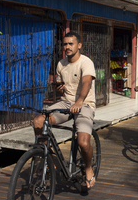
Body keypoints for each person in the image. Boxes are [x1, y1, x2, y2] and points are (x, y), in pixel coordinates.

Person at [33, 31, 96, 190]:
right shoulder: (61, 64)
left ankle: (88, 168)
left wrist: (80, 101)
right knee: (39, 121)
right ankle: (51, 161)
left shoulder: (85, 62)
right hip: (66, 103)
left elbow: (87, 83)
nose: (67, 47)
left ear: (79, 45)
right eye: (65, 44)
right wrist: (61, 90)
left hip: (85, 103)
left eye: (71, 44)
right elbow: (63, 91)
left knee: (83, 141)